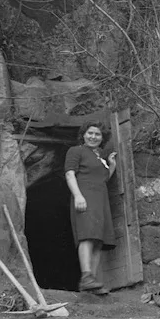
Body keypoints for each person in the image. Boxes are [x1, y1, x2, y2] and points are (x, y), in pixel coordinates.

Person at [64, 121, 117, 295]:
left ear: (102, 138)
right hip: (84, 196)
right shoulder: (76, 151)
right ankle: (86, 276)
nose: (93, 137)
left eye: (97, 134)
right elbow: (70, 173)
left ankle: (91, 282)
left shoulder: (100, 155)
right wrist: (78, 195)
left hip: (100, 200)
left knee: (98, 240)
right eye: (90, 133)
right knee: (87, 236)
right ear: (83, 134)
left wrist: (112, 166)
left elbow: (103, 179)